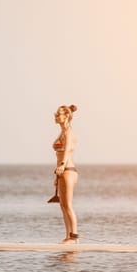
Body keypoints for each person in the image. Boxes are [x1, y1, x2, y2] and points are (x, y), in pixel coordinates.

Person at [51, 104, 79, 244]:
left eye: (58, 114)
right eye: (55, 114)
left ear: (66, 116)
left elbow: (67, 151)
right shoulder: (61, 132)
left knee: (68, 205)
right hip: (61, 172)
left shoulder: (68, 133)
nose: (56, 116)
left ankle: (74, 238)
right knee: (62, 205)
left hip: (68, 170)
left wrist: (62, 166)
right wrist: (57, 176)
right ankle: (68, 236)